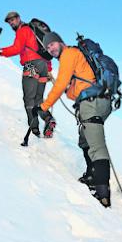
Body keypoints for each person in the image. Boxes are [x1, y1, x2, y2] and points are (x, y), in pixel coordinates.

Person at [34, 31, 112, 208]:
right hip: (100, 101)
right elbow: (71, 90)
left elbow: (61, 84)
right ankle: (91, 175)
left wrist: (44, 107)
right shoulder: (76, 57)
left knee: (96, 145)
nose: (50, 48)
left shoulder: (69, 54)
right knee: (85, 140)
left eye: (52, 44)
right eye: (47, 47)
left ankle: (102, 193)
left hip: (90, 102)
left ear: (60, 42)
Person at [0, 11, 55, 137]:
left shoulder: (23, 30)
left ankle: (34, 130)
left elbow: (16, 49)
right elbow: (44, 52)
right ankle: (48, 119)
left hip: (31, 66)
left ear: (19, 18)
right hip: (43, 67)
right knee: (38, 99)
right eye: (9, 22)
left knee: (29, 98)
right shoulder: (33, 31)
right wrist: (48, 70)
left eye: (13, 20)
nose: (11, 23)